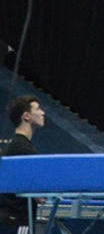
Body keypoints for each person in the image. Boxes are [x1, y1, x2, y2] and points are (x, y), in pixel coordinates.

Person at [1, 95, 46, 233]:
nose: (43, 112)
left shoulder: (14, 146)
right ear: (26, 116)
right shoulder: (24, 150)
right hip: (17, 221)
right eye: (38, 109)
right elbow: (40, 198)